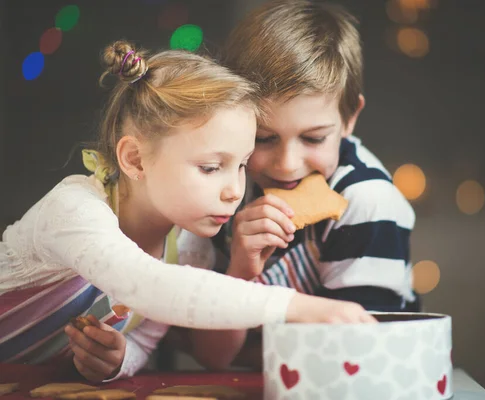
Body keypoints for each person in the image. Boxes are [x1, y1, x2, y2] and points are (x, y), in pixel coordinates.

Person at [0, 40, 375, 382]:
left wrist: (118, 359)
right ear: (135, 159)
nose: (235, 191)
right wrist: (298, 308)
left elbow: (145, 341)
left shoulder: (192, 249)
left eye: (242, 165)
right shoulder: (74, 211)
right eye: (211, 168)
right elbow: (149, 287)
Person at [181, 0, 419, 371]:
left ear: (349, 117)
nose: (287, 164)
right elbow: (213, 357)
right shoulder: (228, 188)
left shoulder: (368, 202)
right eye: (264, 138)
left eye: (313, 138)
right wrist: (241, 271)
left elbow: (360, 357)